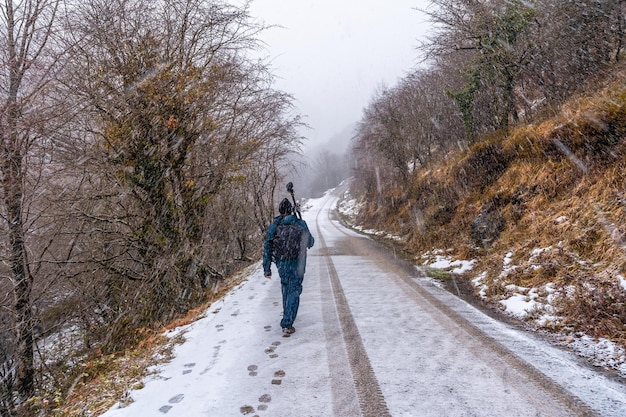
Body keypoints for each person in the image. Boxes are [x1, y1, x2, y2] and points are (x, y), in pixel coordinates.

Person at [263, 198, 314, 335]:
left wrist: (266, 267)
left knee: (286, 288)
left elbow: (267, 246)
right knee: (294, 291)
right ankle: (287, 323)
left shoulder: (275, 225)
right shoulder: (300, 223)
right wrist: (300, 220)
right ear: (291, 210)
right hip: (298, 264)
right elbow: (310, 242)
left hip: (282, 263)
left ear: (280, 211)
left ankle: (287, 314)